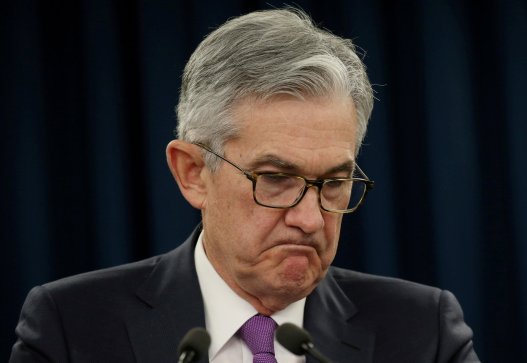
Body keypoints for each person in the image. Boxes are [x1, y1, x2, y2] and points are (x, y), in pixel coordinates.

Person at [10, 8, 479, 363]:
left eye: (334, 183)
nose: (311, 218)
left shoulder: (422, 332)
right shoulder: (72, 327)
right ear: (192, 173)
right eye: (275, 179)